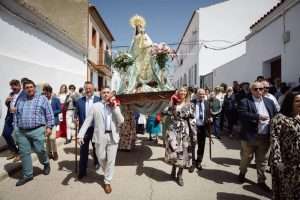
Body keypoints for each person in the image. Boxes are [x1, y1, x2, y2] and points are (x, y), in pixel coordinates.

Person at [77, 87, 124, 194]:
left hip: (113, 136)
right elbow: (87, 121)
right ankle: (106, 171)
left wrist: (115, 108)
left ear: (111, 94)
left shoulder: (116, 105)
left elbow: (121, 121)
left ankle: (107, 181)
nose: (106, 94)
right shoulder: (95, 106)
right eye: (104, 92)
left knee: (111, 161)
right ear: (100, 94)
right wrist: (80, 135)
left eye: (108, 92)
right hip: (99, 137)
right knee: (101, 157)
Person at [237, 81, 277, 192]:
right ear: (251, 90)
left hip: (264, 136)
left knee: (262, 160)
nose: (259, 91)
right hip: (250, 136)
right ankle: (242, 172)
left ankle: (261, 180)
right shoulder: (245, 101)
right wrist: (258, 116)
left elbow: (275, 114)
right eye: (256, 89)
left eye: (261, 88)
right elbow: (242, 114)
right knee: (246, 158)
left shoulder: (269, 101)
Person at [15, 79, 54, 186]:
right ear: (24, 89)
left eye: (31, 87)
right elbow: (17, 115)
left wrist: (49, 127)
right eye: (27, 88)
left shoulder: (42, 98)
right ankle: (28, 175)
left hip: (37, 130)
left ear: (34, 88)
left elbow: (49, 114)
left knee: (40, 150)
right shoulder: (21, 100)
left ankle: (46, 163)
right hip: (22, 131)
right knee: (24, 153)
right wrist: (16, 129)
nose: (29, 89)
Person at [270, 91, 300, 200]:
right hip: (286, 162)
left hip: (298, 163)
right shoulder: (279, 118)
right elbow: (275, 139)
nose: (299, 103)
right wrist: (278, 161)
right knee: (286, 191)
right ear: (290, 102)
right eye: (297, 101)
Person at [164, 87, 196, 186]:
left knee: (184, 152)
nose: (182, 92)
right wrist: (170, 108)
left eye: (184, 91)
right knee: (174, 151)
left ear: (186, 93)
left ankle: (180, 175)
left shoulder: (190, 104)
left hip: (184, 130)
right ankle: (173, 169)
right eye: (181, 91)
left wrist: (194, 133)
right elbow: (166, 112)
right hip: (173, 130)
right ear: (178, 92)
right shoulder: (173, 102)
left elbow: (193, 117)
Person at [75, 81, 100, 179]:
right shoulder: (79, 101)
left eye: (90, 88)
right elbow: (76, 113)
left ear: (93, 89)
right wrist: (75, 117)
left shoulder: (99, 100)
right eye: (86, 88)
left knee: (96, 148)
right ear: (84, 89)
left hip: (96, 129)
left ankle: (97, 161)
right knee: (83, 151)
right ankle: (82, 171)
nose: (88, 90)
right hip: (84, 130)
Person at [2, 79, 24, 162]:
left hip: (19, 118)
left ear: (19, 85)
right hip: (10, 117)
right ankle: (14, 151)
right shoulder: (11, 94)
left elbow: (27, 105)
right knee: (5, 134)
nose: (13, 88)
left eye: (15, 85)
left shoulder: (24, 94)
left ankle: (20, 153)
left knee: (19, 137)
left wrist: (17, 109)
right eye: (12, 86)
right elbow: (9, 105)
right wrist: (6, 102)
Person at [190, 88, 211, 172]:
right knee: (193, 145)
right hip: (194, 127)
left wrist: (210, 118)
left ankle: (199, 162)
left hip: (203, 127)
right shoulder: (192, 103)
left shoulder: (207, 103)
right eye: (200, 94)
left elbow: (208, 114)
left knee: (201, 146)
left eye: (203, 94)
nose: (202, 95)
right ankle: (192, 163)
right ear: (197, 95)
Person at [42, 84, 61, 161]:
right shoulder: (42, 100)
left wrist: (51, 112)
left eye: (47, 93)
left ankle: (55, 152)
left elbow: (59, 109)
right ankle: (49, 153)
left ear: (50, 92)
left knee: (52, 138)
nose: (46, 95)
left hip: (53, 121)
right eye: (44, 93)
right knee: (47, 139)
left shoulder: (56, 100)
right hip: (44, 122)